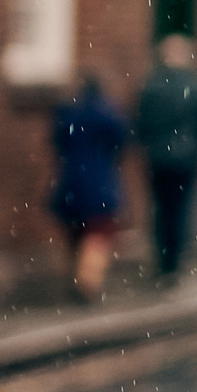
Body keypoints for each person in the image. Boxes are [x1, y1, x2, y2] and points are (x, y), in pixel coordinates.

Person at [134, 34, 197, 280]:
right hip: (186, 158)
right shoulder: (196, 86)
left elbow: (140, 121)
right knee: (182, 208)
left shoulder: (151, 84)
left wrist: (149, 144)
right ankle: (175, 261)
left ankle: (162, 258)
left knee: (160, 208)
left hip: (158, 157)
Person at [49, 72, 131, 303]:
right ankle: (87, 284)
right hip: (100, 183)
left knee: (76, 233)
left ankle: (76, 278)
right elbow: (121, 141)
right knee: (99, 233)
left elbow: (58, 141)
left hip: (71, 182)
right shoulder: (108, 115)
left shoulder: (68, 115)